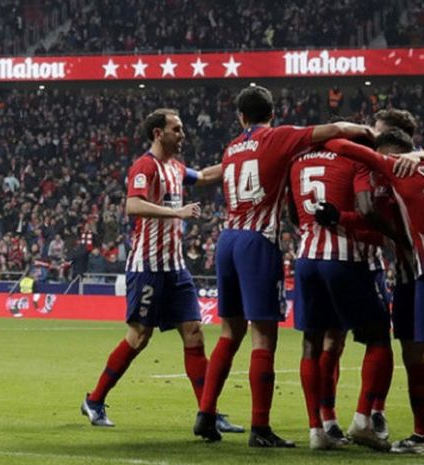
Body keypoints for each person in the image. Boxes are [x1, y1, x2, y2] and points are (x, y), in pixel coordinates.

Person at [193, 85, 374, 447]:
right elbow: (334, 130)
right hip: (258, 241)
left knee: (230, 331)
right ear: (271, 113)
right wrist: (366, 132)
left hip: (226, 239)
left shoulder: (232, 147)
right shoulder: (279, 137)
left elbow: (211, 175)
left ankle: (206, 413)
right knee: (263, 336)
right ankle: (260, 427)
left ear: (241, 117)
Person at [81, 108, 243, 434]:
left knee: (194, 332)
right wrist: (178, 212)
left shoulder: (175, 167)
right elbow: (133, 205)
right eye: (177, 129)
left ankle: (207, 411)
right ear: (158, 132)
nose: (182, 135)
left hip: (175, 267)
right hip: (148, 267)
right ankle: (94, 400)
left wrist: (243, 160)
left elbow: (207, 176)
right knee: (139, 337)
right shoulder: (145, 166)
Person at [287, 140, 393, 451]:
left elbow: (293, 213)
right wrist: (389, 233)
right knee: (377, 339)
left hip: (306, 258)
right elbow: (365, 208)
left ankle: (318, 429)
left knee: (313, 343)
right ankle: (364, 420)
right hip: (346, 259)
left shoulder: (298, 161)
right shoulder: (355, 161)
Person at [322, 131, 424, 453]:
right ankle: (419, 435)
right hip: (410, 275)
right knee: (414, 356)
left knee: (417, 356)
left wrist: (370, 140)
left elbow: (336, 144)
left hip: (420, 273)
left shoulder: (391, 165)